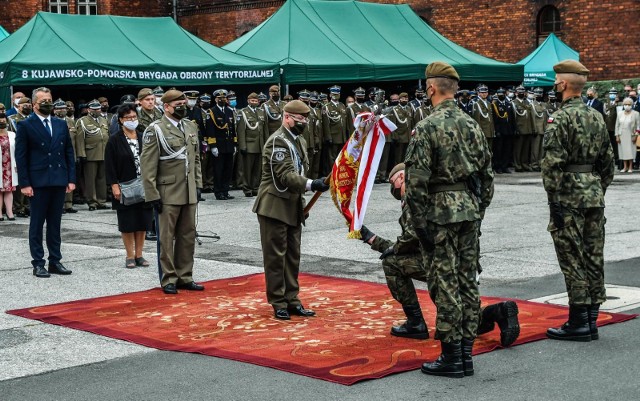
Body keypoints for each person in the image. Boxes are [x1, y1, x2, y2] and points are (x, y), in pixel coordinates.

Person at [360, 164, 518, 350]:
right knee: (467, 319)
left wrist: (374, 241)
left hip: (440, 262)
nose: (393, 189)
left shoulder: (416, 197)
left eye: (392, 182)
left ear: (401, 178)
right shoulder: (448, 192)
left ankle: (416, 324)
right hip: (466, 262)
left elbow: (411, 240)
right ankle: (498, 312)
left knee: (392, 263)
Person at [404, 61, 494, 378]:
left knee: (445, 285)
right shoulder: (472, 125)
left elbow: (415, 184)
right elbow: (487, 178)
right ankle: (466, 353)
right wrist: (477, 212)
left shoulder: (427, 127)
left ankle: (452, 356)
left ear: (431, 88)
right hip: (468, 209)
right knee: (467, 281)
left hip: (440, 212)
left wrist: (420, 226)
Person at [542, 60, 615, 342]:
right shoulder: (595, 116)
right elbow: (608, 163)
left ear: (562, 84)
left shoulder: (560, 118)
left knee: (572, 257)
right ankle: (592, 319)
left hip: (568, 195)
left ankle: (578, 321)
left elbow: (552, 165)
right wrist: (596, 187)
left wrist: (554, 200)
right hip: (593, 193)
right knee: (593, 256)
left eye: (556, 80)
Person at [253, 100, 330, 320]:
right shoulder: (277, 142)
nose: (304, 123)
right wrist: (312, 184)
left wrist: (310, 187)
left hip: (293, 205)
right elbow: (286, 175)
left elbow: (299, 168)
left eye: (306, 119)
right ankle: (278, 302)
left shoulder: (299, 140)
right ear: (287, 117)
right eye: (300, 119)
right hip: (274, 206)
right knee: (276, 257)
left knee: (293, 256)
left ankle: (293, 299)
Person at [140, 89, 204, 294]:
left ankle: (185, 275)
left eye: (183, 104)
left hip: (188, 190)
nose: (182, 108)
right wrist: (152, 194)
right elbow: (148, 165)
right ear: (166, 107)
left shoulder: (190, 125)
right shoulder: (155, 129)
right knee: (166, 238)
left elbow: (195, 160)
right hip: (167, 191)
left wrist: (198, 184)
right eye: (178, 105)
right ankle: (168, 278)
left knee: (187, 235)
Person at [15, 87, 76, 278]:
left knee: (55, 224)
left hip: (58, 179)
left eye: (49, 99)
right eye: (44, 101)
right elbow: (21, 156)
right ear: (34, 104)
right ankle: (38, 263)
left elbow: (68, 152)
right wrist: (24, 183)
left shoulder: (60, 123)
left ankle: (55, 261)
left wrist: (70, 179)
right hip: (38, 181)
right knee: (37, 224)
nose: (48, 103)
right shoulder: (26, 125)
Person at [105, 104, 153, 269]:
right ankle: (129, 255)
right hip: (124, 185)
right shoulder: (114, 140)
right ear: (120, 120)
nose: (132, 120)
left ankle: (140, 254)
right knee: (127, 223)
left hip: (144, 185)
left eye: (134, 117)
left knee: (143, 222)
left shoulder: (143, 137)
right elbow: (109, 165)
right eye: (128, 118)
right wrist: (114, 185)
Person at [76, 99, 109, 211]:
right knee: (90, 179)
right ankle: (92, 202)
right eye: (94, 109)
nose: (97, 111)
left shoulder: (103, 120)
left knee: (102, 178)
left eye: (98, 108)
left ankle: (101, 201)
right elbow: (80, 139)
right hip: (90, 154)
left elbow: (106, 135)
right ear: (89, 109)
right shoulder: (82, 121)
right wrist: (82, 154)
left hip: (103, 152)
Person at [204, 89, 236, 200]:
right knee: (218, 170)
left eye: (224, 98)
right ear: (216, 99)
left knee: (228, 169)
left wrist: (235, 143)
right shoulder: (211, 112)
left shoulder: (229, 111)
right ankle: (218, 192)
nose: (222, 100)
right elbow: (210, 130)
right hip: (219, 145)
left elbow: (233, 129)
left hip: (229, 145)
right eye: (220, 98)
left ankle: (225, 190)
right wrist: (213, 146)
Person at [237, 92, 269, 197]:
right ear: (248, 101)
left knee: (258, 169)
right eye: (252, 100)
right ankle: (247, 189)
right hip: (249, 146)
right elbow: (241, 131)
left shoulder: (261, 112)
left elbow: (265, 130)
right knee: (247, 170)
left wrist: (266, 144)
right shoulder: (243, 112)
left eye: (256, 101)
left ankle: (256, 188)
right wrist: (242, 146)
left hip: (260, 146)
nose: (254, 102)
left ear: (258, 102)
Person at [53, 99, 78, 214]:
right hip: (57, 154)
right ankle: (60, 204)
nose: (62, 110)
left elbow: (76, 139)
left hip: (70, 153)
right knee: (59, 180)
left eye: (63, 108)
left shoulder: (70, 121)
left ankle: (69, 204)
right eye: (59, 109)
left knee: (70, 178)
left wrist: (78, 154)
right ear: (54, 110)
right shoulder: (53, 121)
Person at [0, 113, 18, 221]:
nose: (2, 121)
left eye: (3, 119)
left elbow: (18, 151)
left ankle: (9, 211)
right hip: (0, 166)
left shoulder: (12, 135)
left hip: (9, 166)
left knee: (9, 189)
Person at [615, 97, 640, 173]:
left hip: (631, 135)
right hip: (621, 134)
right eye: (625, 104)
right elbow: (617, 125)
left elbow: (638, 126)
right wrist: (617, 136)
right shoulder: (620, 113)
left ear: (631, 105)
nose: (627, 106)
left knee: (630, 151)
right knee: (623, 151)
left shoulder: (636, 113)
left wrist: (636, 135)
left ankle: (630, 167)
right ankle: (625, 167)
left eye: (629, 104)